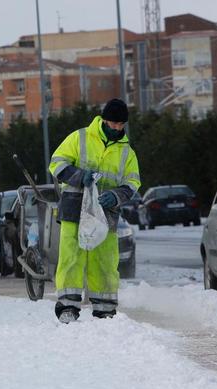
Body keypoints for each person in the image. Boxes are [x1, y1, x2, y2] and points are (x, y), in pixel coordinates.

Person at [48, 98, 141, 323]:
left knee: (105, 260)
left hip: (105, 214)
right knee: (72, 257)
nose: (117, 128)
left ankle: (105, 307)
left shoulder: (127, 152)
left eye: (121, 125)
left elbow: (132, 183)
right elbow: (56, 164)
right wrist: (81, 177)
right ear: (104, 119)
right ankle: (68, 306)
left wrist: (116, 196)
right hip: (74, 209)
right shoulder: (79, 137)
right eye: (113, 123)